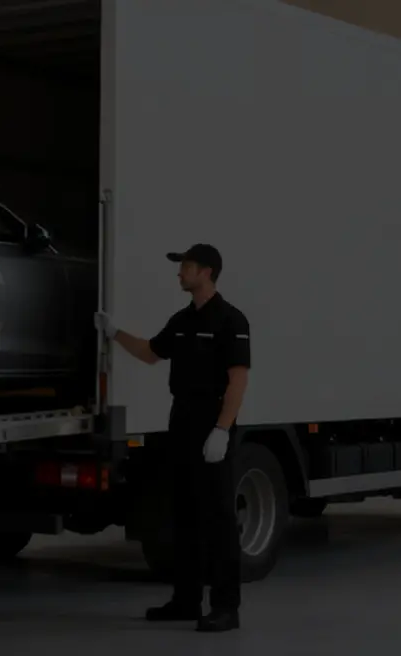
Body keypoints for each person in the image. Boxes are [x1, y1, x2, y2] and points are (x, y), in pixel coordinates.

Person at [94, 243, 251, 633]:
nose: (180, 273)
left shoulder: (231, 320)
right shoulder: (181, 320)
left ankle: (226, 607)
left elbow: (237, 381)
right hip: (180, 421)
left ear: (207, 272)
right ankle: (185, 600)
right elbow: (150, 352)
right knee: (184, 515)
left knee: (218, 519)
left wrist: (222, 430)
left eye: (188, 266)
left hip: (211, 424)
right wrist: (114, 332)